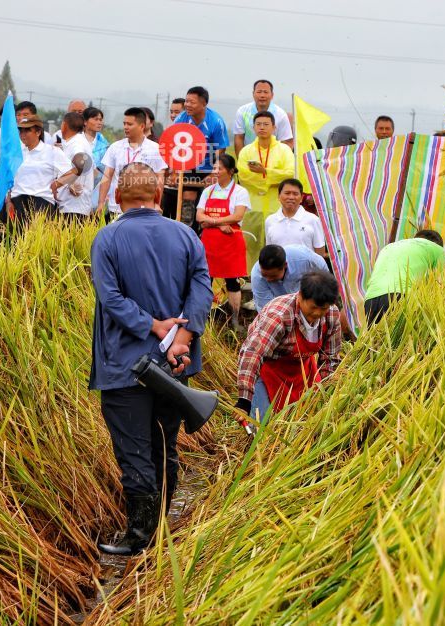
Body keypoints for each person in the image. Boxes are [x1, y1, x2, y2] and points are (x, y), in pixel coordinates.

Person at [90, 162, 213, 556]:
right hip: (175, 364)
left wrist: (154, 326)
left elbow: (110, 298)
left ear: (117, 197)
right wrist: (183, 337)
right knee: (165, 445)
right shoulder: (186, 234)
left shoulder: (108, 238)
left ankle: (139, 537)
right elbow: (202, 288)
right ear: (159, 196)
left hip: (125, 367)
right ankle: (160, 529)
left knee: (134, 451)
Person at [235, 271, 343, 423]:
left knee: (308, 421)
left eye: (323, 308)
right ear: (300, 296)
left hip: (302, 372)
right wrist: (244, 400)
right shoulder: (279, 316)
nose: (318, 313)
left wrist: (327, 393)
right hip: (268, 370)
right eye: (313, 307)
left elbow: (330, 358)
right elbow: (253, 353)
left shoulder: (331, 314)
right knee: (261, 422)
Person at [195, 154, 250, 331]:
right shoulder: (208, 191)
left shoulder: (240, 192)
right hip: (209, 242)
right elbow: (199, 216)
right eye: (214, 168)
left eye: (220, 168)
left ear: (231, 171)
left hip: (230, 242)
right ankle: (203, 319)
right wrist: (220, 224)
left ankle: (235, 319)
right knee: (206, 279)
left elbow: (237, 216)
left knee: (232, 281)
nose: (215, 171)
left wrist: (210, 222)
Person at [237, 111, 296, 271]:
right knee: (250, 242)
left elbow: (289, 173)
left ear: (274, 127)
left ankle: (279, 274)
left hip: (276, 206)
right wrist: (270, 182)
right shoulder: (246, 151)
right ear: (253, 128)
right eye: (258, 124)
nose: (262, 127)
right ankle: (250, 277)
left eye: (266, 124)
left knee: (277, 243)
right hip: (252, 206)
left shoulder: (284, 150)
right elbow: (243, 176)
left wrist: (265, 171)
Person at [97, 108, 167, 221]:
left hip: (144, 209)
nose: (125, 127)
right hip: (116, 208)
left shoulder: (155, 149)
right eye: (124, 123)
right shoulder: (115, 147)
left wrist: (157, 204)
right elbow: (107, 176)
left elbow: (159, 177)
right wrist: (101, 202)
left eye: (129, 124)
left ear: (142, 126)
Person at [363, 230, 445, 323]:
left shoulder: (389, 247)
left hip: (370, 298)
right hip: (400, 295)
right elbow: (438, 287)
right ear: (437, 244)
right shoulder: (438, 250)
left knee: (377, 332)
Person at [8, 114, 76, 224]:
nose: (23, 134)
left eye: (27, 130)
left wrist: (57, 184)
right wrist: (8, 200)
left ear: (38, 132)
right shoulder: (16, 153)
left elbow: (72, 172)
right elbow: (10, 179)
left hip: (42, 202)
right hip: (17, 201)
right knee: (16, 235)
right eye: (21, 131)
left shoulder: (52, 151)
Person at [172, 86, 230, 212]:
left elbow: (221, 149)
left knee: (209, 200)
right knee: (188, 197)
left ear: (204, 104)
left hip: (210, 162)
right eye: (186, 101)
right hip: (189, 163)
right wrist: (175, 171)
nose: (187, 105)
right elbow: (174, 147)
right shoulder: (180, 120)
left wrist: (213, 173)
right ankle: (186, 222)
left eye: (192, 102)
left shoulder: (216, 121)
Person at [251, 244, 328, 310]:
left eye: (273, 276)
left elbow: (325, 277)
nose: (268, 279)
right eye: (264, 275)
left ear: (285, 265)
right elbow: (267, 309)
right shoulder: (257, 276)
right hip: (279, 305)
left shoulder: (305, 259)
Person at [264, 178, 326, 256]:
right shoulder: (270, 220)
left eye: (295, 194)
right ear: (279, 196)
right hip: (279, 264)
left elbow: (320, 253)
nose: (291, 197)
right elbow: (270, 250)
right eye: (287, 193)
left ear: (301, 198)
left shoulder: (313, 220)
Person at [233, 80, 293, 154]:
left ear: (272, 95)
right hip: (249, 156)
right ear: (253, 94)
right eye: (259, 92)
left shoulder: (281, 114)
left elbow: (287, 141)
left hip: (273, 157)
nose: (262, 95)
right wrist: (241, 159)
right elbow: (239, 138)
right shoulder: (242, 111)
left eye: (265, 92)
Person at [55, 112, 95, 222]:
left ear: (64, 125)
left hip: (73, 206)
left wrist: (62, 183)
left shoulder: (77, 143)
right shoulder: (76, 141)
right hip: (71, 205)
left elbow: (81, 162)